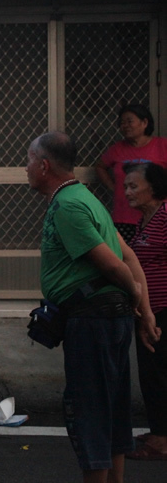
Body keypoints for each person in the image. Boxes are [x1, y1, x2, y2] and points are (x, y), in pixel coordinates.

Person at [26, 131, 157, 483]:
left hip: (93, 318)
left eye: (28, 160)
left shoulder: (68, 205)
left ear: (44, 165)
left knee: (91, 410)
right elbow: (126, 254)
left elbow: (114, 264)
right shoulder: (85, 197)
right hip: (105, 318)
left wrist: (139, 304)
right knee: (112, 407)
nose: (26, 168)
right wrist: (142, 306)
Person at [120, 163, 167, 460]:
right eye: (125, 186)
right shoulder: (144, 221)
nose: (127, 192)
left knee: (158, 374)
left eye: (134, 186)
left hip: (163, 311)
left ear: (154, 187)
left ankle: (161, 440)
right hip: (149, 310)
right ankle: (160, 430)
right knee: (152, 374)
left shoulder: (165, 216)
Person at [95, 104, 167, 240]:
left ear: (144, 122)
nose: (125, 126)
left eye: (129, 121)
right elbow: (100, 167)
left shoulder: (162, 145)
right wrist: (114, 186)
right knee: (126, 258)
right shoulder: (117, 148)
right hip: (124, 217)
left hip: (157, 216)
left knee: (155, 257)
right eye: (122, 123)